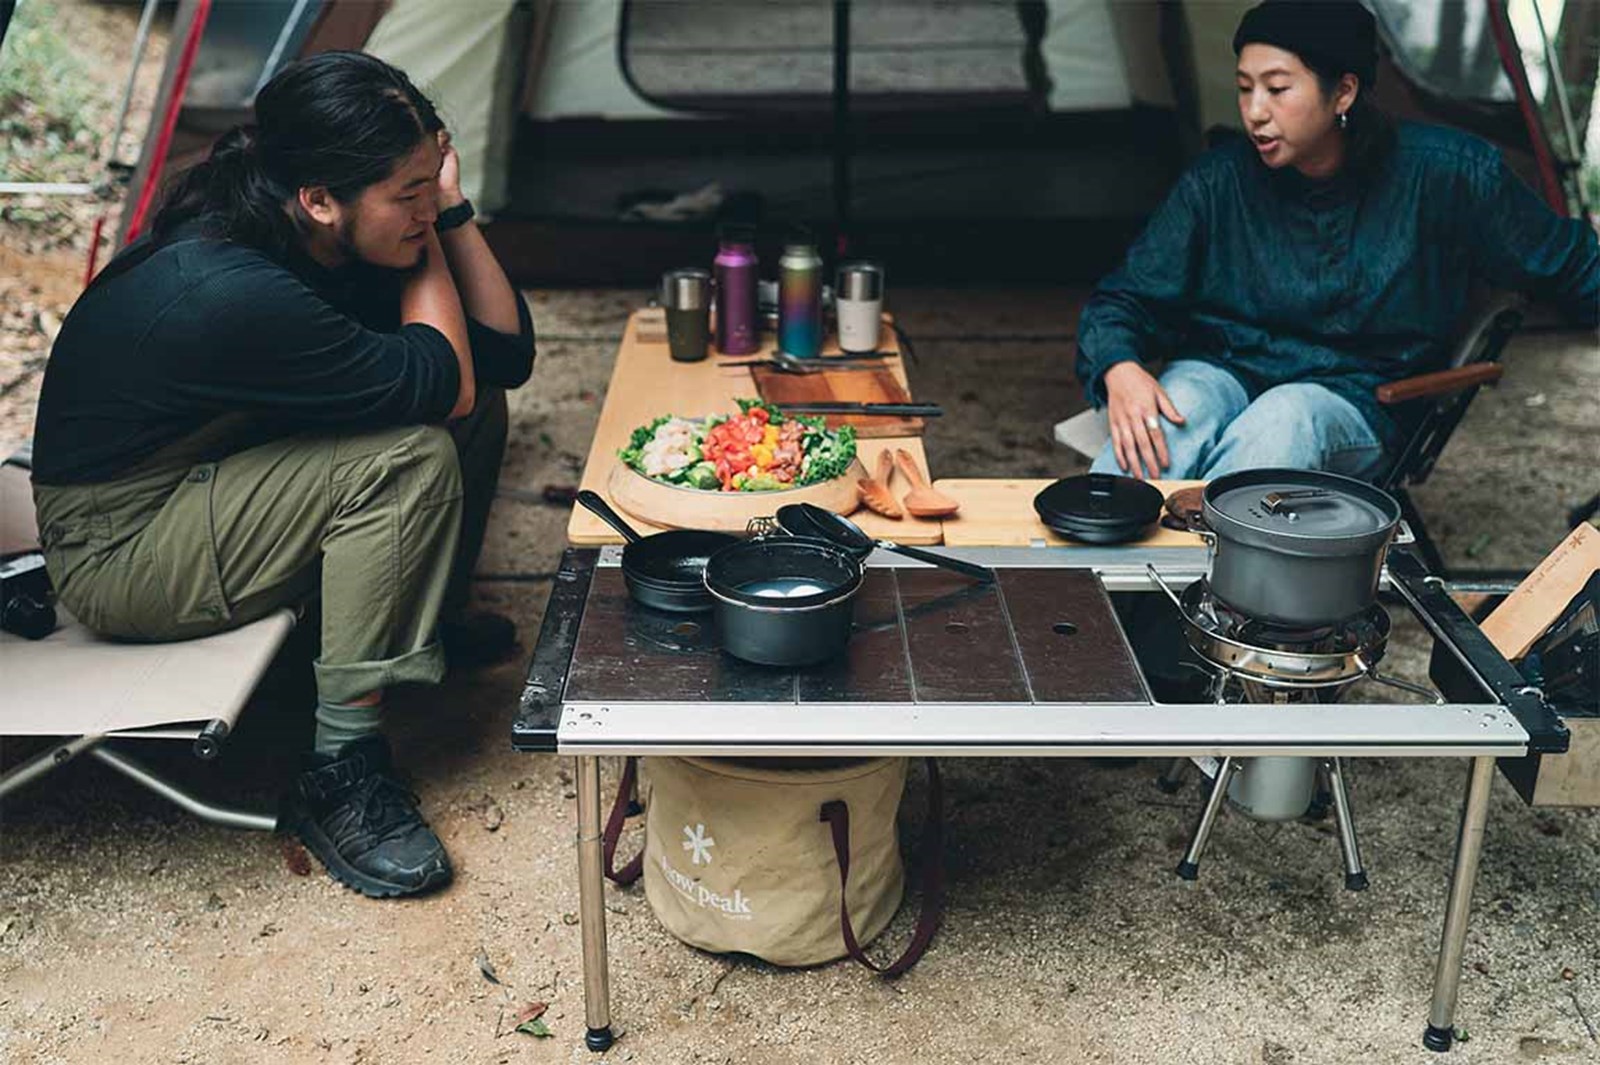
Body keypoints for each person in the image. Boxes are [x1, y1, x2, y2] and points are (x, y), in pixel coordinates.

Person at [29, 52, 536, 898]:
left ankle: (416, 623)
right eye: (406, 193)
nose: (425, 205)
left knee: (472, 409)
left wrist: (444, 209)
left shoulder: (314, 227)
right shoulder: (233, 286)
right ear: (321, 199)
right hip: (120, 546)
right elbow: (445, 379)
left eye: (430, 176)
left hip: (207, 474)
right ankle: (342, 766)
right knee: (404, 458)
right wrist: (425, 243)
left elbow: (503, 356)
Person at [1075, 0, 1598, 482]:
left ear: (1343, 92)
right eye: (1243, 87)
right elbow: (1123, 298)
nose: (1254, 110)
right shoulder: (1217, 183)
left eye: (1277, 89)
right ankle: (1081, 576)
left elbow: (1572, 263)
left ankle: (1206, 583)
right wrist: (1120, 366)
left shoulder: (1449, 173)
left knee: (1284, 420)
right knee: (1170, 412)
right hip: (1224, 370)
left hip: (1356, 399)